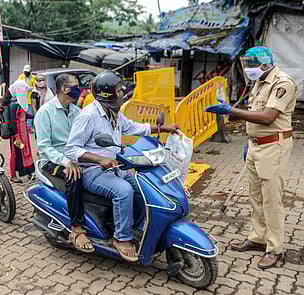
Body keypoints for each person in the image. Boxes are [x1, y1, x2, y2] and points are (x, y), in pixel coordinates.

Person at [65, 71, 178, 262]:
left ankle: (136, 226)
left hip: (116, 167)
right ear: (107, 93)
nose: (121, 93)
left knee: (144, 187)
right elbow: (71, 148)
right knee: (124, 191)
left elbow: (133, 127)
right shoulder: (89, 116)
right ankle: (121, 238)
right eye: (117, 90)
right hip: (93, 171)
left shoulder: (113, 112)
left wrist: (164, 129)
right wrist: (100, 160)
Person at [205, 46, 297, 269]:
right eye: (246, 64)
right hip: (256, 147)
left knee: (271, 200)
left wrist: (231, 111)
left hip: (273, 147)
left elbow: (267, 117)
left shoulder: (282, 83)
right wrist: (251, 142)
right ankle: (257, 238)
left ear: (265, 63)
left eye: (252, 64)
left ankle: (275, 249)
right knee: (255, 197)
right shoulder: (259, 82)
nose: (248, 68)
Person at [35, 73, 94, 253]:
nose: (79, 90)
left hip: (75, 158)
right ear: (63, 89)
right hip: (53, 161)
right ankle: (77, 228)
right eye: (75, 87)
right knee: (73, 176)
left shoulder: (77, 112)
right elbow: (44, 147)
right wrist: (66, 161)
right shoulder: (45, 113)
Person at [6, 81, 35, 183]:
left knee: (25, 152)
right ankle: (13, 175)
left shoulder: (21, 104)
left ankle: (28, 171)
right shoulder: (13, 105)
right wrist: (17, 136)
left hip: (24, 133)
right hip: (16, 133)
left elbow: (28, 116)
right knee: (14, 153)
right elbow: (13, 122)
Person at [18, 65, 36, 131]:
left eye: (27, 72)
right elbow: (18, 84)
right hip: (22, 97)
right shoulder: (21, 76)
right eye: (25, 71)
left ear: (30, 71)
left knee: (30, 113)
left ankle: (29, 127)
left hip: (30, 97)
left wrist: (30, 88)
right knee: (23, 112)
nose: (25, 73)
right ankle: (23, 126)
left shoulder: (33, 78)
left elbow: (35, 86)